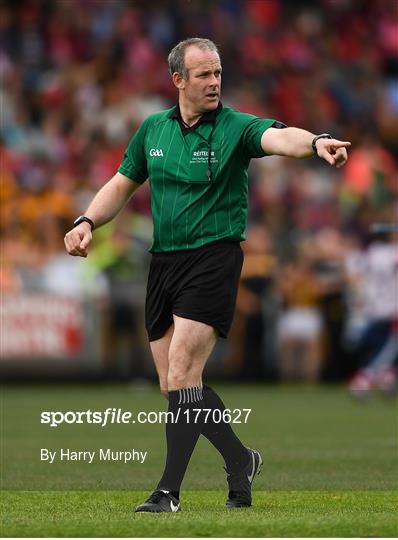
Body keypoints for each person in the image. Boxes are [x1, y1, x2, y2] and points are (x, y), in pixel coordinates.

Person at [64, 38, 351, 512]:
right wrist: (86, 221)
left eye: (218, 73)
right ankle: (240, 460)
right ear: (179, 80)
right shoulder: (153, 129)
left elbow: (278, 137)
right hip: (164, 263)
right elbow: (120, 184)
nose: (215, 82)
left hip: (214, 258)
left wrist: (317, 142)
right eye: (203, 75)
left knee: (183, 372)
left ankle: (167, 493)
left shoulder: (235, 126)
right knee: (177, 387)